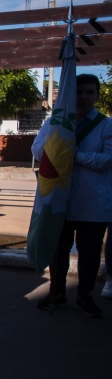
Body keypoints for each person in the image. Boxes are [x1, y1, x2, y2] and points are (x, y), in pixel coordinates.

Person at [34, 74, 112, 318]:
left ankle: (85, 296)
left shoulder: (106, 125)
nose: (83, 97)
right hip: (59, 199)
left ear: (97, 95)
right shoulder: (55, 122)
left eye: (89, 92)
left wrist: (70, 154)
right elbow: (37, 150)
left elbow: (106, 161)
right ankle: (56, 293)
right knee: (58, 249)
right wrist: (58, 143)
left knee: (89, 254)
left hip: (92, 203)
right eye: (79, 92)